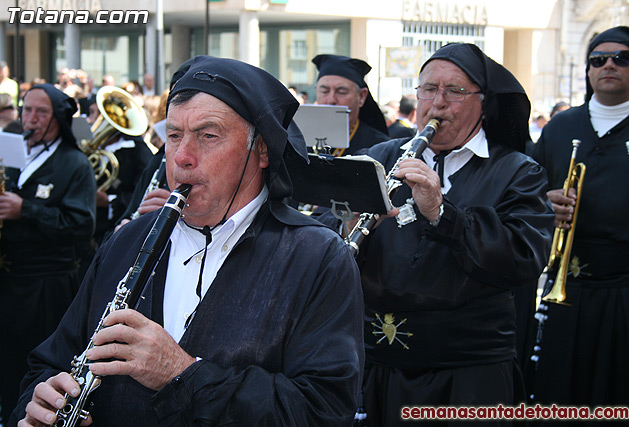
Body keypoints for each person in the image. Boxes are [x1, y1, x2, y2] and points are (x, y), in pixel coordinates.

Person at [10, 56, 364, 426]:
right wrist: (38, 402)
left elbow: (322, 410)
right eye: (174, 135)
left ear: (261, 150)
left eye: (208, 135)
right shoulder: (129, 240)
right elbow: (52, 360)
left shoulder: (317, 256)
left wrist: (182, 373)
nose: (181, 158)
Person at [322, 43, 554, 426]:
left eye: (455, 92)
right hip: (379, 365)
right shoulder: (378, 158)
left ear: (483, 103)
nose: (437, 104)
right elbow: (325, 245)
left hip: (468, 374)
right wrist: (346, 227)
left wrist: (442, 213)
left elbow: (525, 257)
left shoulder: (518, 171)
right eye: (428, 89)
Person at [527, 26, 629, 424]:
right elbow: (529, 192)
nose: (609, 65)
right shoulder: (560, 127)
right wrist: (546, 203)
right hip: (568, 288)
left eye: (622, 57)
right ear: (588, 69)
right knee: (562, 396)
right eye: (598, 59)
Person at [0, 84, 96, 424]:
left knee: (32, 364)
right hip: (10, 281)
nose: (31, 119)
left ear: (58, 118)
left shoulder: (75, 163)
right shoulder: (14, 153)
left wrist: (26, 210)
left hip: (45, 287)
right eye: (26, 110)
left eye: (41, 112)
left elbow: (82, 224)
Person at [313, 54, 388, 155]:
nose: (331, 100)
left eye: (341, 92)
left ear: (361, 96)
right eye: (324, 91)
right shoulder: (297, 139)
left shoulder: (380, 147)